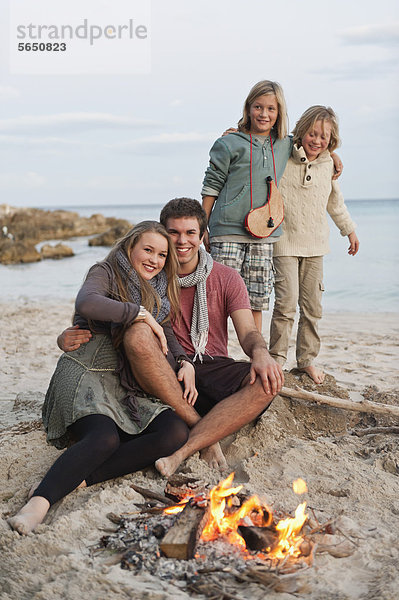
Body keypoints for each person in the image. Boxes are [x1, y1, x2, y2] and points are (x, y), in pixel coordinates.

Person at [57, 198, 284, 480]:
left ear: (203, 236)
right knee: (138, 334)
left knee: (267, 381)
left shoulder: (226, 278)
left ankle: (188, 447)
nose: (182, 241)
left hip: (209, 364)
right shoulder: (147, 273)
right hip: (159, 369)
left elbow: (248, 332)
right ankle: (207, 435)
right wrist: (67, 334)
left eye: (190, 233)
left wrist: (261, 353)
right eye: (173, 233)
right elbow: (102, 307)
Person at [8, 221, 196, 535]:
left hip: (126, 384)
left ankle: (81, 477)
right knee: (104, 438)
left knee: (174, 433)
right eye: (147, 250)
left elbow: (163, 329)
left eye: (162, 255)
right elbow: (87, 302)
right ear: (130, 247)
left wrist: (183, 360)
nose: (154, 259)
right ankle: (37, 503)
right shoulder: (105, 271)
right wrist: (139, 312)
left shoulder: (159, 287)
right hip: (87, 374)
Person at [201, 80, 343, 332]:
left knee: (256, 300)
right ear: (248, 108)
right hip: (226, 230)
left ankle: (256, 355)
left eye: (271, 109)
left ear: (279, 113)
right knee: (219, 298)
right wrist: (203, 225)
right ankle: (216, 355)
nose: (264, 114)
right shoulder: (229, 143)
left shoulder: (285, 144)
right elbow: (211, 184)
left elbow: (312, 148)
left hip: (265, 234)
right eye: (258, 107)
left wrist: (332, 154)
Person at [269, 106, 359, 384]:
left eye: (324, 137)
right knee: (285, 305)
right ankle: (277, 360)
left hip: (316, 246)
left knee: (312, 307)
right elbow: (259, 140)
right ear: (301, 131)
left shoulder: (329, 164)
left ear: (332, 141)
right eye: (312, 133)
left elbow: (335, 203)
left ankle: (306, 360)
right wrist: (235, 131)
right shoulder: (282, 153)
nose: (317, 141)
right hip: (284, 243)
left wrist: (350, 231)